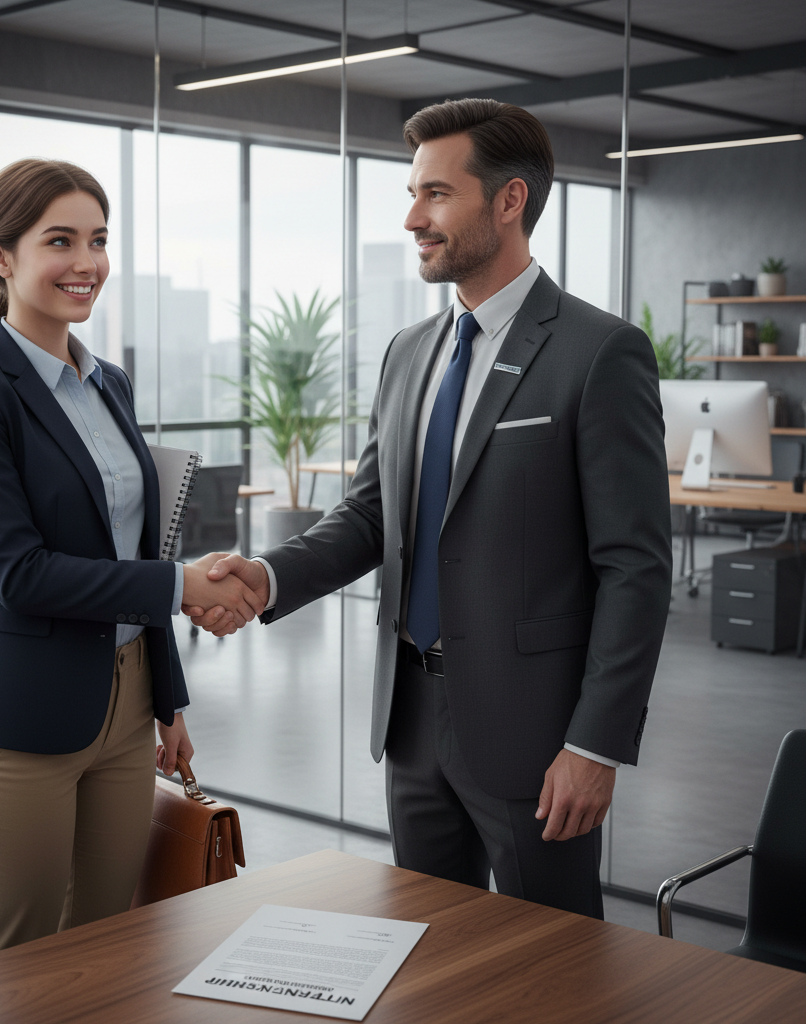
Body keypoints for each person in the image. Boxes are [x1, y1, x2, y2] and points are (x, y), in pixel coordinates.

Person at [187, 100, 672, 918]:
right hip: (410, 722)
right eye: (412, 194)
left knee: (547, 971)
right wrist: (266, 577)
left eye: (436, 195)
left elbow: (635, 567)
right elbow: (374, 517)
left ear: (509, 201)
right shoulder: (409, 353)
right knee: (425, 953)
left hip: (536, 734)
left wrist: (595, 743)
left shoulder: (599, 352)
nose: (413, 217)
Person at [0, 158, 262, 954]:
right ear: (1, 257)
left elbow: (133, 546)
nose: (87, 263)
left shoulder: (110, 383)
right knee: (23, 956)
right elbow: (18, 574)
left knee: (112, 939)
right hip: (20, 721)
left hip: (126, 707)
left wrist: (168, 701)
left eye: (100, 240)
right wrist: (181, 587)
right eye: (61, 241)